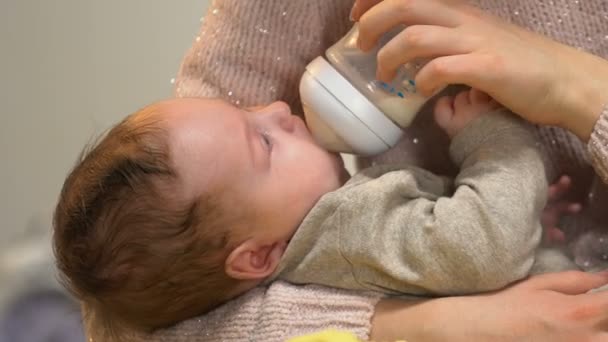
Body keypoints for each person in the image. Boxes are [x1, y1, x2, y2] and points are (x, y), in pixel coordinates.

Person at [83, 0, 608, 341]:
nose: (277, 109)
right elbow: (482, 244)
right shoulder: (351, 227)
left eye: (251, 113)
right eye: (263, 142)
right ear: (257, 256)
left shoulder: (324, 228)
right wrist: (491, 141)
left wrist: (577, 92)